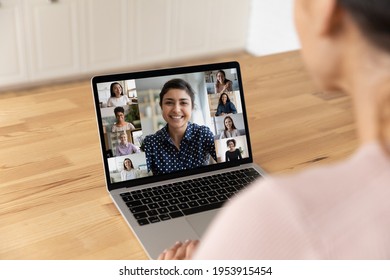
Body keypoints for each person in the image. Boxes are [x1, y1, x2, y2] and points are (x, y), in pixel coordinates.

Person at [158, 0, 390, 260]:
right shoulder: (153, 143)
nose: (177, 109)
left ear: (326, 8)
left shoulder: (276, 217)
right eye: (169, 102)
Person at [144, 78, 217, 175]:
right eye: (169, 103)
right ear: (161, 106)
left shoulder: (203, 134)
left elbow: (229, 162)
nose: (176, 110)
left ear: (192, 107)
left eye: (183, 103)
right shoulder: (151, 143)